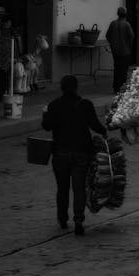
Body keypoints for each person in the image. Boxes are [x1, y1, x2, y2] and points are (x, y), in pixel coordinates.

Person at [42, 75, 107, 235]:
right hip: (81, 152)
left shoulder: (54, 105)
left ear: (62, 88)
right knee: (79, 188)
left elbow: (46, 126)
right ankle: (78, 219)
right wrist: (104, 132)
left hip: (60, 153)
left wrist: (45, 114)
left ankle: (62, 219)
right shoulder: (85, 104)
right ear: (77, 87)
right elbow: (95, 125)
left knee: (62, 188)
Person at [106, 6, 135, 93]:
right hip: (125, 51)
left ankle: (116, 87)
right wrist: (129, 46)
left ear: (118, 14)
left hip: (115, 51)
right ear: (125, 14)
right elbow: (131, 36)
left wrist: (112, 44)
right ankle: (122, 88)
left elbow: (107, 36)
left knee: (117, 68)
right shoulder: (126, 24)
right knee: (123, 70)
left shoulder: (113, 23)